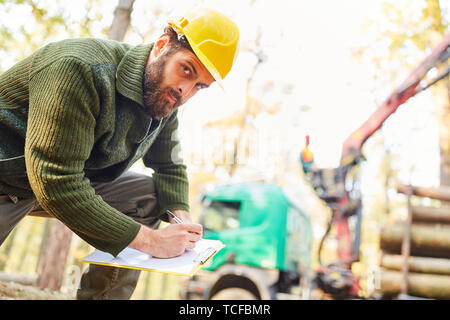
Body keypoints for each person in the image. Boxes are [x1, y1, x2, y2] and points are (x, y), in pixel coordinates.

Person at [0, 8, 239, 299]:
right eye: (186, 69)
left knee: (150, 197)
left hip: (58, 183)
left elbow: (169, 167)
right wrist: (152, 242)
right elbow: (55, 180)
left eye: (199, 86)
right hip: (9, 180)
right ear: (162, 45)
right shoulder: (78, 68)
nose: (185, 91)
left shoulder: (166, 101)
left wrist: (181, 218)